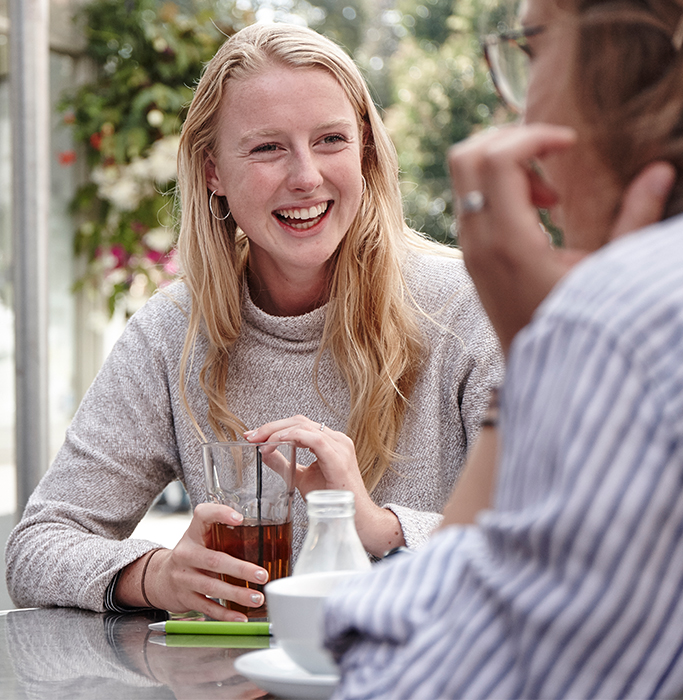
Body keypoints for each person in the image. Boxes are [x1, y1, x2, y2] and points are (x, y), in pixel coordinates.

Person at [5, 23, 502, 621]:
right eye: (268, 147)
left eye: (331, 140)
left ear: (366, 149)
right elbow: (36, 546)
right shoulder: (173, 333)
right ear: (212, 171)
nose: (306, 176)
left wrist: (375, 527)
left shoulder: (466, 308)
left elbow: (549, 544)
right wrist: (157, 575)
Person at [323, 0, 683, 698]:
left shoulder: (620, 324)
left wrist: (532, 365)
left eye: (530, 51)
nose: (518, 115)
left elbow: (403, 687)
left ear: (624, 47)